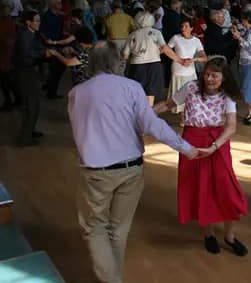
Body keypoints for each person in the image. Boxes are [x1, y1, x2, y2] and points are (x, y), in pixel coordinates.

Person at [69, 42, 199, 282]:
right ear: (117, 61)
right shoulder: (132, 87)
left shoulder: (77, 93)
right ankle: (114, 277)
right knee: (118, 230)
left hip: (96, 172)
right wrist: (186, 148)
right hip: (131, 169)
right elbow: (151, 124)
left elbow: (80, 130)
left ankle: (112, 280)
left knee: (95, 228)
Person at [154, 58, 249, 256]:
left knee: (227, 188)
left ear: (223, 77)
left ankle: (229, 236)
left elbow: (231, 125)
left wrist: (214, 146)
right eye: (207, 74)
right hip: (192, 142)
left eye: (214, 75)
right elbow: (168, 104)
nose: (209, 78)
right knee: (200, 188)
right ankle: (209, 234)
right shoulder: (191, 88)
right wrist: (144, 114)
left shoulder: (227, 95)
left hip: (217, 142)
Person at [123, 11, 184, 106]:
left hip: (137, 67)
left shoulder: (132, 35)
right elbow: (165, 48)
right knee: (150, 94)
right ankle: (148, 114)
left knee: (138, 93)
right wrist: (180, 60)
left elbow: (125, 56)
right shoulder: (156, 33)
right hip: (154, 66)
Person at [13, 10, 50, 147]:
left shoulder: (31, 34)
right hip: (24, 73)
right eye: (36, 20)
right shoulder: (25, 36)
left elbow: (38, 48)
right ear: (28, 22)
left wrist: (47, 50)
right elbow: (26, 54)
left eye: (39, 20)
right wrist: (43, 53)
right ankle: (25, 139)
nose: (39, 23)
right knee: (31, 106)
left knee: (34, 105)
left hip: (28, 72)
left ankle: (29, 131)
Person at [167, 18, 207, 114]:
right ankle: (183, 117)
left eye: (186, 26)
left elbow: (205, 58)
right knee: (179, 93)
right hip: (177, 69)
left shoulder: (196, 41)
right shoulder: (176, 38)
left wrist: (193, 59)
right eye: (182, 26)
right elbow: (166, 50)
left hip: (190, 70)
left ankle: (186, 116)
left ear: (191, 28)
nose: (183, 28)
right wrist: (178, 59)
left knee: (190, 94)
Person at [40, 0, 67, 99]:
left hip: (58, 44)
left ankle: (49, 87)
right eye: (58, 3)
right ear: (53, 4)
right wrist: (48, 42)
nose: (61, 4)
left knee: (57, 69)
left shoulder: (58, 16)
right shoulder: (47, 16)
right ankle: (51, 93)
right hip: (51, 46)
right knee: (57, 69)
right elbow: (42, 32)